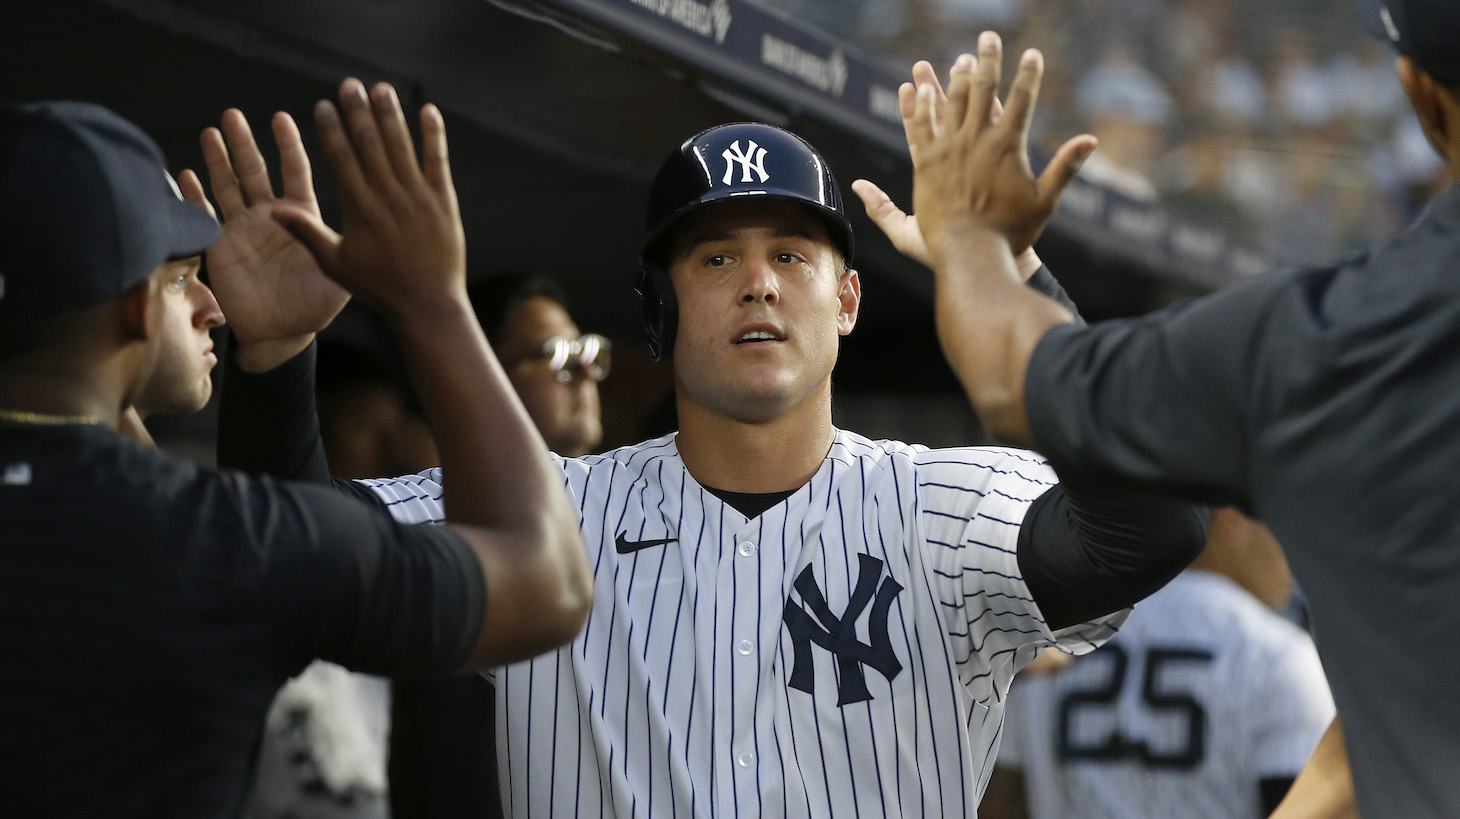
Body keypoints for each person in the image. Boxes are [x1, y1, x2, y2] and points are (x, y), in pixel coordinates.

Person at [219, 102, 1212, 813]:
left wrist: (1007, 272)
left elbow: (1153, 521)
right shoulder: (540, 516)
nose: (757, 286)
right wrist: (272, 361)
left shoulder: (940, 508)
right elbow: (287, 558)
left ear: (847, 301)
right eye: (713, 258)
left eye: (790, 255)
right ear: (657, 311)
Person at [887, 1, 1460, 814]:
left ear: (1421, 92)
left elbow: (1015, 376)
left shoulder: (1332, 331)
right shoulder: (1274, 649)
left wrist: (974, 240)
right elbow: (1378, 728)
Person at [0, 88, 591, 817]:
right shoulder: (218, 541)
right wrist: (430, 300)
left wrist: (276, 352)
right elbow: (550, 585)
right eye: (182, 276)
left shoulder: (210, 530)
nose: (210, 303)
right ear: (131, 305)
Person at [389, 274, 609, 819]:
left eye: (585, 349)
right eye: (553, 353)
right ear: (481, 377)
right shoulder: (430, 534)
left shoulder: (641, 514)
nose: (583, 371)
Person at [981, 507, 1334, 819]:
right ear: (1231, 521)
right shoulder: (1276, 654)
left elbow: (996, 800)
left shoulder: (1051, 635)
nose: (1297, 559)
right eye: (1288, 529)